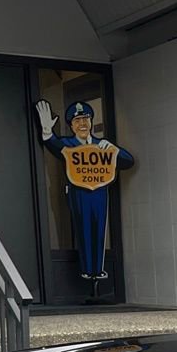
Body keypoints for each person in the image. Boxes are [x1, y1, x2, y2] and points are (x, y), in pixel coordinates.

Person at [35, 100, 135, 281]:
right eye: (77, 120)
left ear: (90, 122)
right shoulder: (68, 143)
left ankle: (98, 271)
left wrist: (113, 149)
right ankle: (88, 271)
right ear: (71, 125)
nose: (82, 124)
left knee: (99, 229)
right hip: (79, 193)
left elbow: (128, 161)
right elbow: (54, 145)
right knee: (85, 230)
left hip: (99, 192)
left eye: (85, 119)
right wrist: (47, 131)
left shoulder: (101, 144)